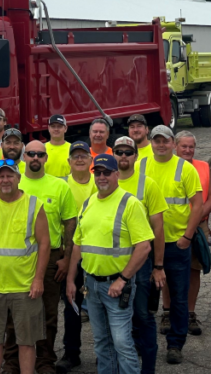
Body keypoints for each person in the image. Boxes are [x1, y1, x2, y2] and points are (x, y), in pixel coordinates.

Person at [66, 154, 154, 374]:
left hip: (116, 287)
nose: (102, 177)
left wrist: (122, 280)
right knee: (101, 342)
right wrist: (70, 279)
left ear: (117, 174)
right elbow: (78, 245)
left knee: (122, 343)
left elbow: (144, 246)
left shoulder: (129, 203)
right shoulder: (89, 202)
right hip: (91, 285)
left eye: (107, 172)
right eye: (98, 172)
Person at [1, 140, 77, 374]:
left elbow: (70, 224)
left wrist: (66, 257)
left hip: (53, 257)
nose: (35, 158)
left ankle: (45, 361)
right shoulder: (13, 181)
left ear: (46, 158)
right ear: (24, 157)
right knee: (14, 314)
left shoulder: (59, 186)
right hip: (19, 257)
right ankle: (12, 362)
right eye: (31, 154)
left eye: (40, 155)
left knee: (48, 313)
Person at [0, 158, 50, 374]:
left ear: (18, 178)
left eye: (10, 175)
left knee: (26, 341)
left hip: (25, 287)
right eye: (1, 176)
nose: (5, 180)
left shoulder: (34, 205)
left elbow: (44, 244)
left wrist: (39, 279)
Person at [141, 125, 203, 364]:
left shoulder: (184, 168)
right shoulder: (141, 166)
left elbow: (196, 205)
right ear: (151, 142)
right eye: (156, 141)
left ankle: (175, 344)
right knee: (145, 298)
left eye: (165, 141)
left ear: (173, 144)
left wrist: (187, 237)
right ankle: (144, 343)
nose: (161, 145)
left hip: (176, 244)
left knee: (178, 298)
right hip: (145, 244)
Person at [113, 136, 167, 373]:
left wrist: (158, 266)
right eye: (119, 152)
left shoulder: (148, 184)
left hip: (142, 262)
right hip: (112, 262)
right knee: (116, 319)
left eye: (128, 152)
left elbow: (158, 229)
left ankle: (148, 368)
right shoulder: (104, 182)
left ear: (136, 156)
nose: (123, 156)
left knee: (143, 316)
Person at [57, 141, 96, 372]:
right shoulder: (61, 184)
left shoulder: (100, 182)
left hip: (97, 254)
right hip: (71, 254)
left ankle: (106, 352)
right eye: (75, 156)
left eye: (84, 156)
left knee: (102, 306)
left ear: (91, 161)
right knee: (71, 305)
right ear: (69, 161)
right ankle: (71, 353)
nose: (79, 159)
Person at [173, 131, 211, 334]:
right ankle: (167, 312)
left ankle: (190, 313)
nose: (188, 150)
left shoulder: (204, 167)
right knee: (169, 269)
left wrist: (196, 219)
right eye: (184, 146)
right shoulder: (169, 166)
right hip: (174, 226)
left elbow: (210, 198)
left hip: (199, 226)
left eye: (191, 147)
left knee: (194, 270)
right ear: (175, 146)